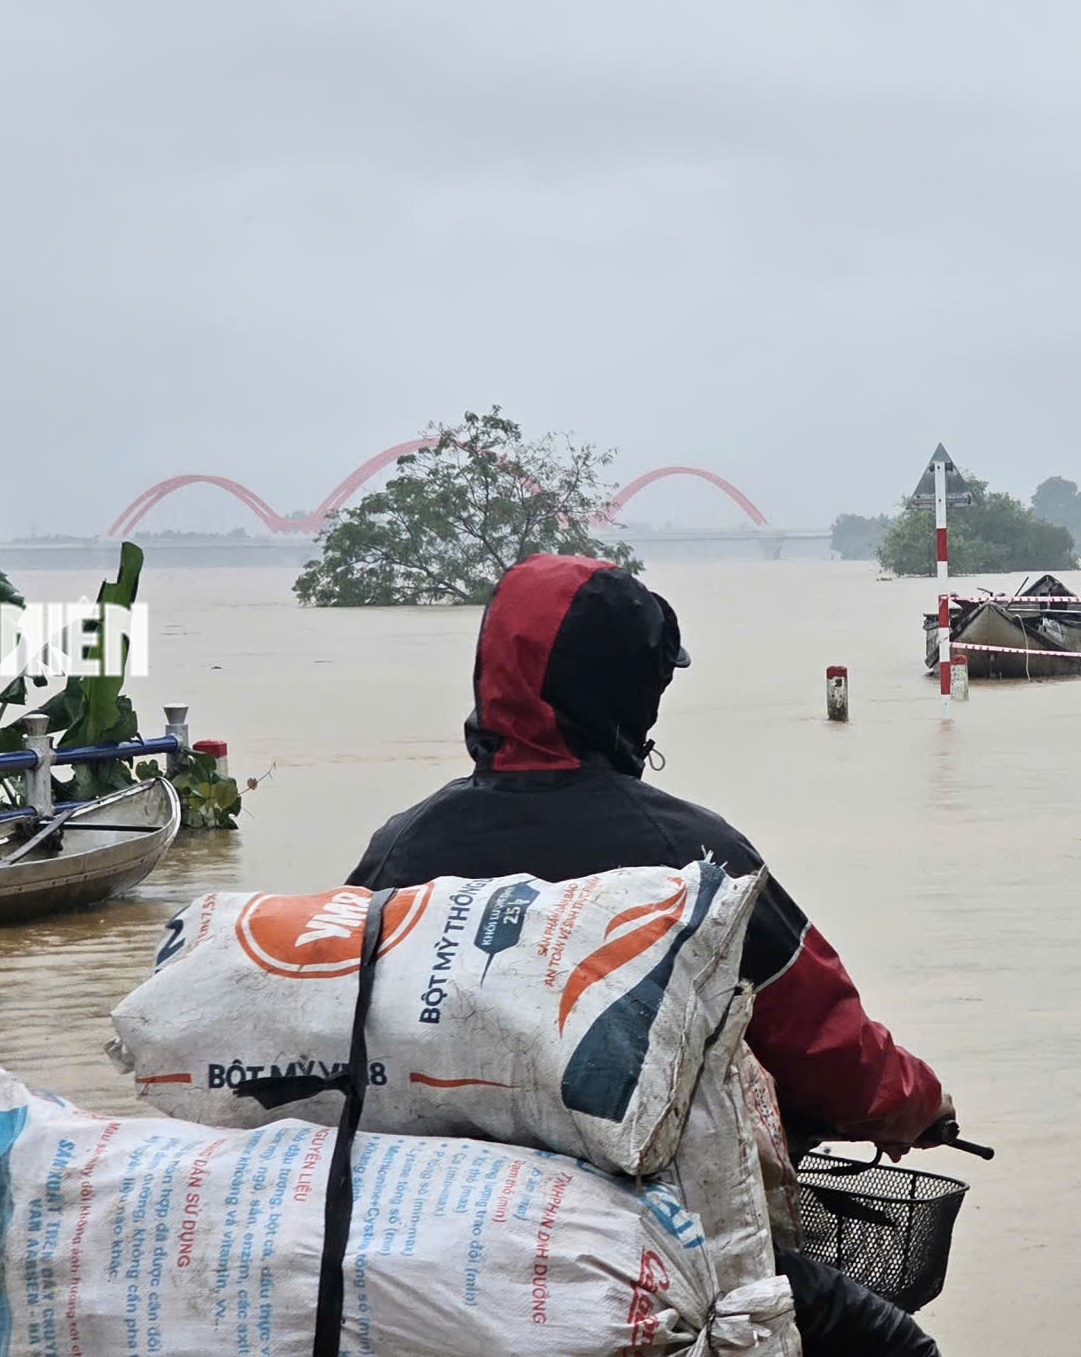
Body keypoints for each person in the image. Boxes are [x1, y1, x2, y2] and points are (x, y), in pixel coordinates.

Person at [347, 552, 949, 1354]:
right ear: (629, 694)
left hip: (427, 1249)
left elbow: (329, 1020)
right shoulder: (693, 857)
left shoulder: (398, 851)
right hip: (648, 1249)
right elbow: (827, 1042)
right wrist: (917, 1103)